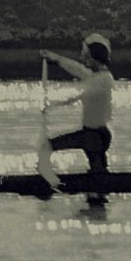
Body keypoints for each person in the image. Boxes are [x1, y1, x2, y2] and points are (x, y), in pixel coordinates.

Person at [39, 33, 115, 176]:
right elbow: (78, 69)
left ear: (94, 57)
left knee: (47, 146)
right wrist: (56, 58)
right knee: (98, 171)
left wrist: (53, 105)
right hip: (92, 134)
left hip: (94, 136)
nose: (84, 58)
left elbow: (77, 96)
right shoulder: (97, 76)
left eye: (86, 55)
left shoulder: (103, 79)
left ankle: (45, 179)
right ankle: (100, 182)